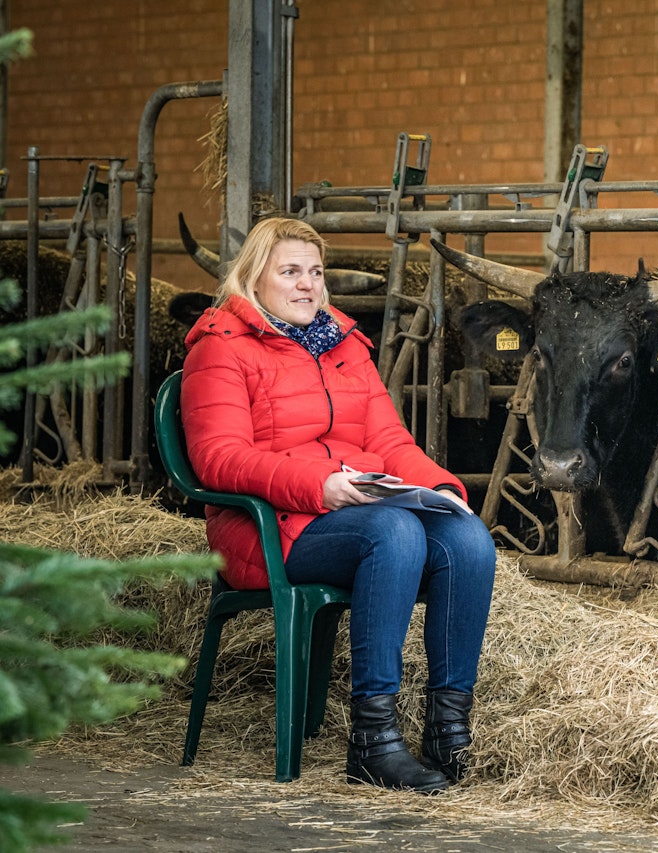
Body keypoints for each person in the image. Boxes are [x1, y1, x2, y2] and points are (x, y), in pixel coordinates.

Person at [180, 217, 496, 794]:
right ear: (255, 277)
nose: (308, 285)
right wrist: (317, 485)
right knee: (395, 532)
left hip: (351, 511)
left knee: (468, 540)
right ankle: (373, 741)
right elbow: (218, 460)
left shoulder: (344, 346)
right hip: (270, 529)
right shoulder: (220, 346)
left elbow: (390, 442)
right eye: (291, 272)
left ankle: (448, 735)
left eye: (316, 272)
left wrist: (444, 487)